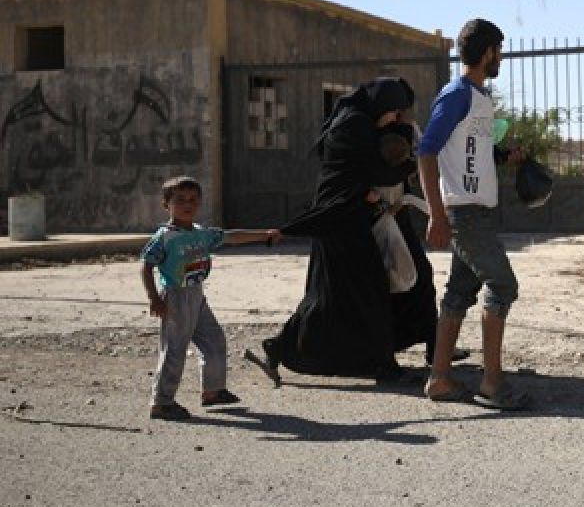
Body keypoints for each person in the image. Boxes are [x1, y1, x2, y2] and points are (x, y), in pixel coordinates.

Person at [251, 77, 449, 384]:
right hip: (341, 222)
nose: (394, 119)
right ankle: (377, 363)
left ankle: (283, 347)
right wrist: (414, 164)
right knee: (348, 295)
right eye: (394, 112)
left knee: (343, 296)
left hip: (353, 219)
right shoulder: (353, 126)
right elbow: (374, 171)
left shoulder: (359, 122)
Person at [419, 18, 531, 409]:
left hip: (477, 213)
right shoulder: (456, 95)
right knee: (502, 286)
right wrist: (436, 213)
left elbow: (467, 152)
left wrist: (503, 156)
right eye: (499, 50)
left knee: (459, 293)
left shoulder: (481, 98)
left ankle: (440, 379)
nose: (501, 57)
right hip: (464, 214)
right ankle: (492, 384)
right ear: (488, 53)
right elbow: (428, 152)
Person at [141, 176, 280, 421]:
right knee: (174, 350)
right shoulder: (165, 236)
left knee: (214, 340)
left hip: (196, 295)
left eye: (193, 200)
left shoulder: (201, 233)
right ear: (166, 204)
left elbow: (232, 236)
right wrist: (154, 298)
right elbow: (146, 266)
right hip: (176, 297)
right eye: (180, 199)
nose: (188, 204)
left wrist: (264, 235)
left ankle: (213, 391)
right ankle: (162, 403)